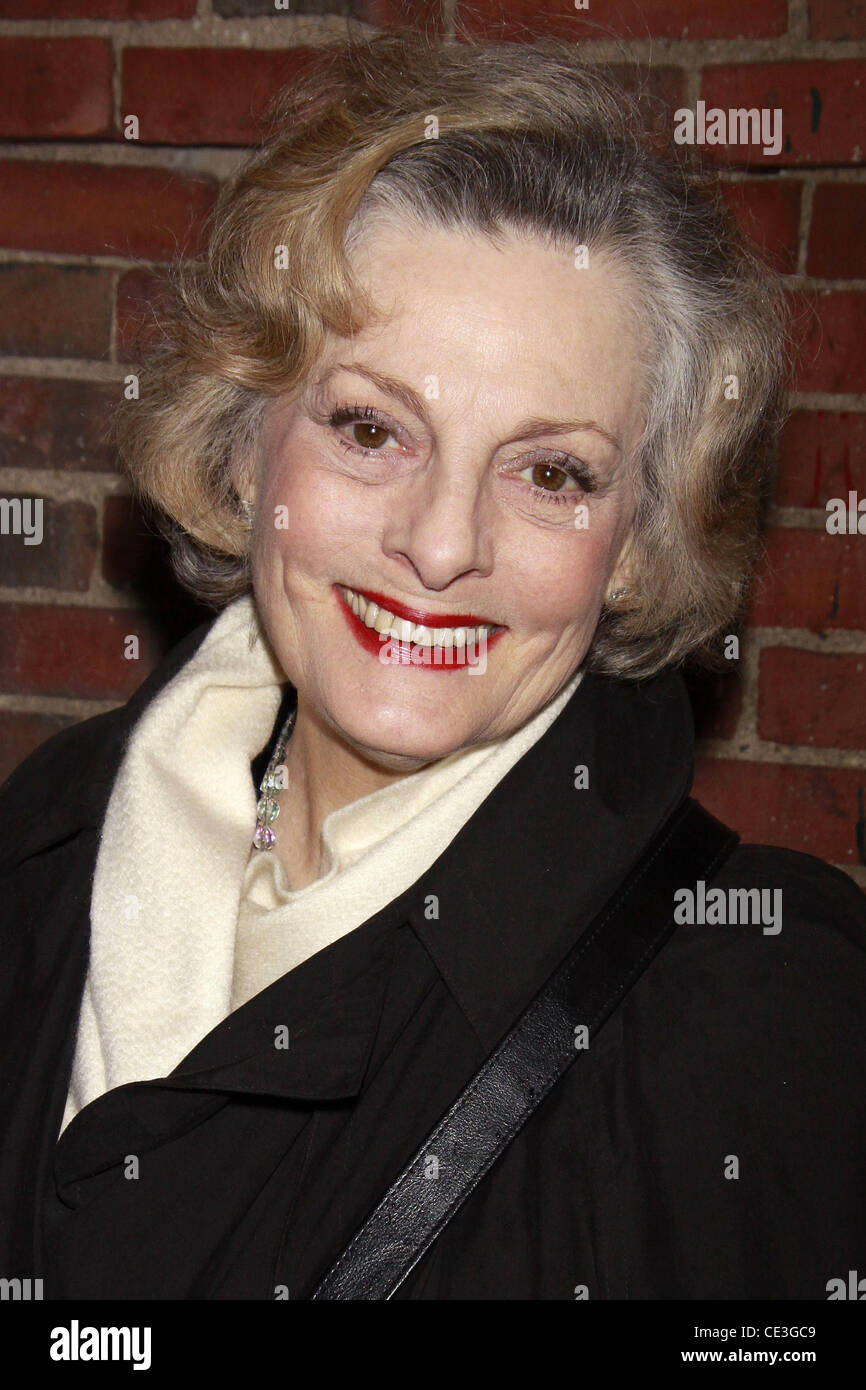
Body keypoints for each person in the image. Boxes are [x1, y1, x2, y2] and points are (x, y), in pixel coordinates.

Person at [1, 28, 864, 1302]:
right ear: (247, 453)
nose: (441, 543)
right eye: (369, 428)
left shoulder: (756, 1020)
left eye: (551, 471)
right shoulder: (45, 841)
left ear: (632, 544)